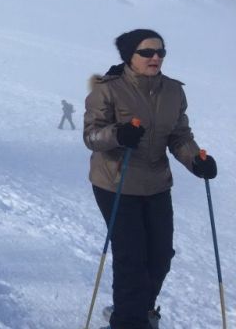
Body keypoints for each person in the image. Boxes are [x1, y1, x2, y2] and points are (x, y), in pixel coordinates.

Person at [84, 29, 218, 329]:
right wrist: (118, 134)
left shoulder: (173, 91)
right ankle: (126, 322)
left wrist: (196, 161)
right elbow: (91, 137)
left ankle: (137, 310)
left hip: (157, 183)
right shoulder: (107, 90)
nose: (156, 57)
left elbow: (179, 135)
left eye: (160, 52)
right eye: (147, 52)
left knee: (160, 256)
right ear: (130, 56)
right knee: (131, 256)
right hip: (115, 182)